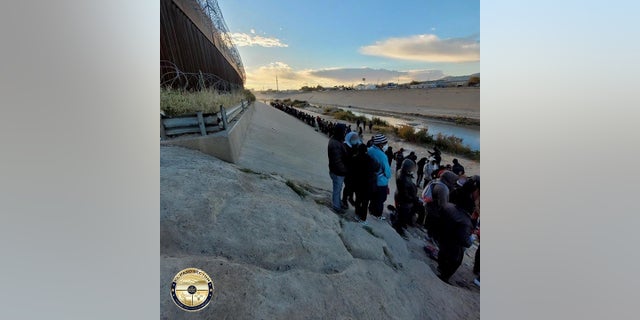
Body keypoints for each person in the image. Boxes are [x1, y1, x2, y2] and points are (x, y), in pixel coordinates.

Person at [436, 177, 479, 284]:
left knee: (444, 252)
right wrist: (471, 238)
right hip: (455, 242)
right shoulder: (465, 220)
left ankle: (441, 269)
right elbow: (466, 242)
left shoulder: (451, 202)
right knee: (455, 259)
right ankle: (444, 277)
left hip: (444, 236)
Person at [351, 144, 379, 225]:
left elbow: (352, 170)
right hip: (368, 184)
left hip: (357, 183)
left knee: (358, 199)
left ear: (358, 150)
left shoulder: (354, 158)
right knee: (365, 202)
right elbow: (377, 168)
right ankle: (363, 219)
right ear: (366, 150)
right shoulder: (370, 159)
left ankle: (357, 214)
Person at [367, 134, 392, 220]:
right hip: (381, 182)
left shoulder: (369, 150)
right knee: (380, 200)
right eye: (385, 143)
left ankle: (370, 210)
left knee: (373, 198)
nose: (386, 145)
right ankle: (377, 215)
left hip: (371, 180)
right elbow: (388, 173)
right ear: (381, 144)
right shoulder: (383, 156)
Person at [393, 159, 419, 238]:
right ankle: (399, 229)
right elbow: (405, 195)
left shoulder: (400, 171)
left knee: (401, 213)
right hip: (404, 200)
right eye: (411, 168)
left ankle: (400, 224)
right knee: (402, 215)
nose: (412, 170)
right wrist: (413, 199)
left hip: (399, 195)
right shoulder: (403, 179)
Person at [327, 123, 348, 214]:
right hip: (337, 172)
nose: (345, 133)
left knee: (338, 189)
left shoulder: (336, 140)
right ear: (340, 131)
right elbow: (337, 162)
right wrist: (345, 171)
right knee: (337, 189)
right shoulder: (335, 143)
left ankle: (338, 203)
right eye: (344, 131)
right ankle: (336, 207)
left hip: (337, 171)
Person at [342, 132, 361, 208]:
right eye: (353, 139)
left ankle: (350, 198)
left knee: (353, 186)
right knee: (347, 186)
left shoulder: (357, 145)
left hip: (355, 170)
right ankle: (344, 199)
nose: (355, 140)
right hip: (347, 170)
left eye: (356, 138)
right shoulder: (345, 146)